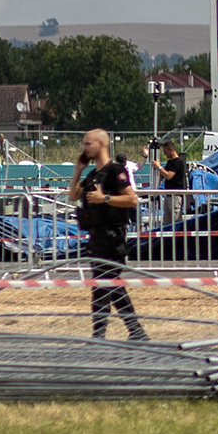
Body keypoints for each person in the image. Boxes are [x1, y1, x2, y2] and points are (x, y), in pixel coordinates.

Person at [70, 128, 147, 341]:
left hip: (112, 236)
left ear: (101, 144)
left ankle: (99, 335)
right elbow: (73, 194)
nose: (84, 148)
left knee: (103, 285)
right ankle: (136, 331)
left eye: (88, 144)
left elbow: (131, 199)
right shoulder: (93, 174)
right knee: (111, 286)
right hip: (96, 237)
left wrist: (105, 199)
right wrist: (78, 169)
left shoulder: (115, 171)